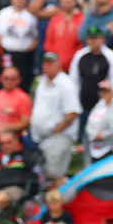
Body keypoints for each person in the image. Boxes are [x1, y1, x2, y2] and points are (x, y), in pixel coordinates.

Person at [30, 52, 83, 188]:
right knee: (46, 175)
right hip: (42, 138)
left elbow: (72, 112)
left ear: (58, 64)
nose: (47, 66)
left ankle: (61, 204)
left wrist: (57, 130)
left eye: (51, 63)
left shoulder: (65, 83)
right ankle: (49, 205)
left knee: (56, 175)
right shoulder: (42, 81)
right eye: (45, 63)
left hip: (58, 137)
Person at [69, 27, 113, 142]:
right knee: (84, 135)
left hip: (102, 105)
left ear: (102, 39)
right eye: (90, 38)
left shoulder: (110, 56)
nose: (93, 41)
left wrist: (110, 102)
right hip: (84, 103)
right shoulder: (80, 55)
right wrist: (75, 102)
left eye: (96, 38)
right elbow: (74, 80)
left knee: (102, 136)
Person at [0, 130, 40, 219]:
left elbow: (35, 176)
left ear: (16, 141)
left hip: (16, 188)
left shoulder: (26, 156)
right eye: (2, 143)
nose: (6, 146)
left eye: (9, 142)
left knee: (0, 197)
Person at [0, 0, 38, 92]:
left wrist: (25, 50)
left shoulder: (30, 17)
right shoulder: (3, 13)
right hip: (5, 53)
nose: (18, 0)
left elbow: (35, 37)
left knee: (22, 84)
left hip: (23, 56)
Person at [0, 66, 33, 158]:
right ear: (1, 79)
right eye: (6, 78)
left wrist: (5, 128)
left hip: (13, 143)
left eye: (13, 79)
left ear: (18, 80)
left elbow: (26, 123)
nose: (9, 81)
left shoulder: (23, 98)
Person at [84, 80, 113, 164]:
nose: (103, 94)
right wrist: (93, 135)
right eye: (102, 91)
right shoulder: (99, 106)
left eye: (106, 91)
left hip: (110, 148)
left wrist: (102, 135)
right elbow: (89, 123)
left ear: (112, 92)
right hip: (94, 149)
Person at [44, 0, 85, 73]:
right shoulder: (55, 20)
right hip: (56, 63)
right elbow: (49, 42)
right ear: (60, 3)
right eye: (64, 1)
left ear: (74, 1)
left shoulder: (82, 19)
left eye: (69, 1)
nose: (66, 4)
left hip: (75, 63)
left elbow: (82, 42)